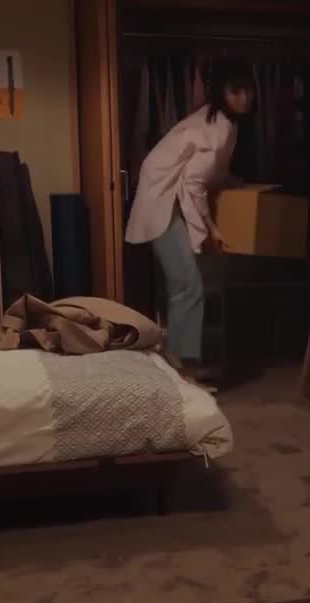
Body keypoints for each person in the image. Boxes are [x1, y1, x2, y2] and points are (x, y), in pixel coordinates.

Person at [124, 60, 255, 383]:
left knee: (183, 287)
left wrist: (231, 183)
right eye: (235, 91)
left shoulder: (220, 121)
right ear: (222, 92)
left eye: (247, 91)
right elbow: (193, 184)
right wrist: (211, 228)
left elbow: (209, 172)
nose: (243, 98)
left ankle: (179, 367)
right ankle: (183, 369)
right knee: (188, 286)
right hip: (162, 203)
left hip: (166, 200)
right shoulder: (217, 126)